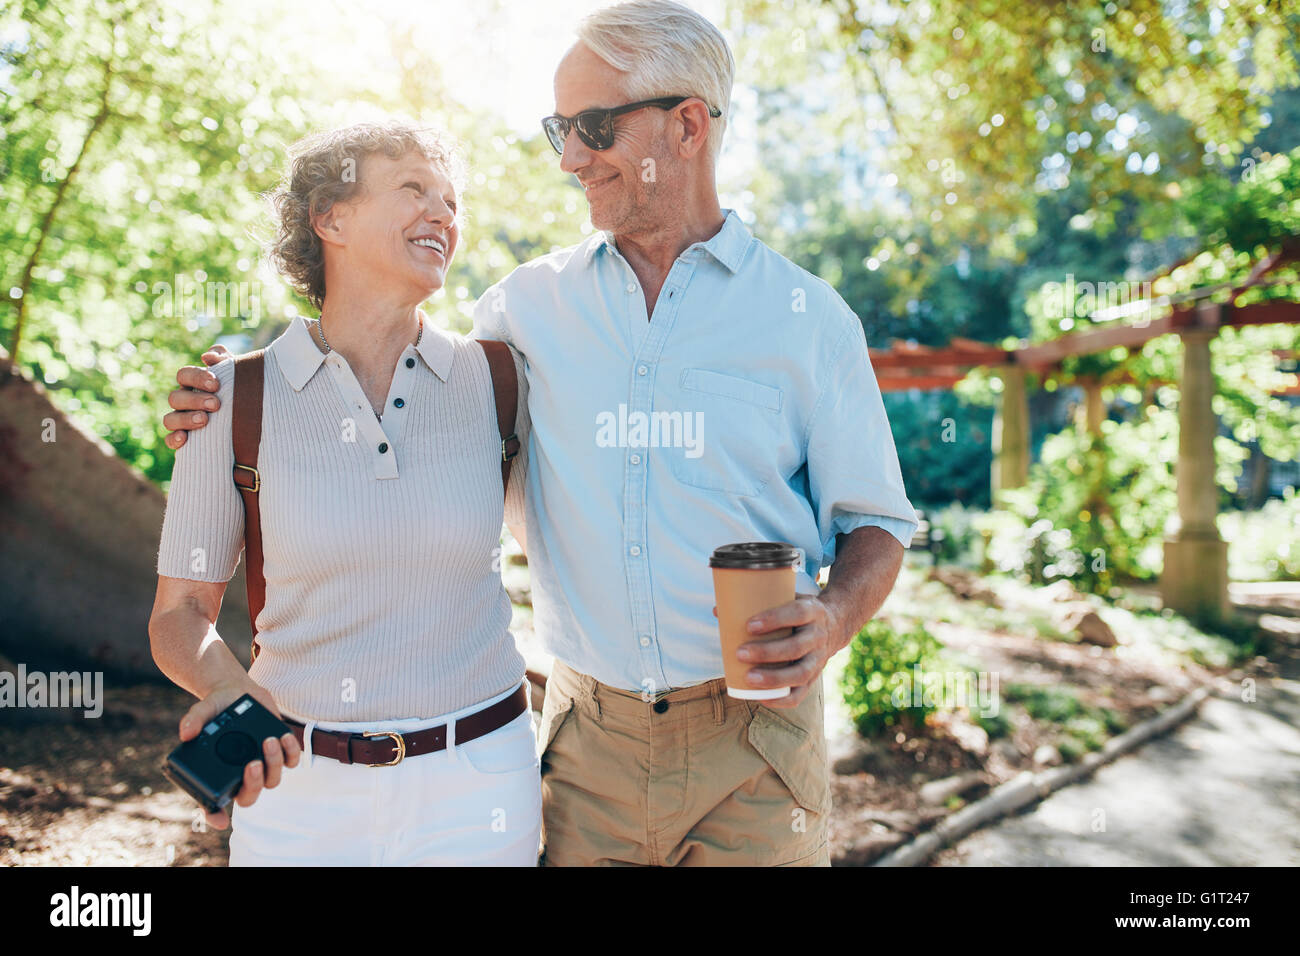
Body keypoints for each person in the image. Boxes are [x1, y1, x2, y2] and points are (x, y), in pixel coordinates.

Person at [165, 0, 918, 866]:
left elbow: (877, 521)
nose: (569, 158)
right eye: (559, 128)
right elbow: (371, 354)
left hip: (756, 748)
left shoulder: (807, 318)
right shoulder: (522, 313)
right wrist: (228, 392)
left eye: (593, 126)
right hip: (584, 745)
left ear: (686, 125)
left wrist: (831, 616)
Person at [149, 122, 540, 866]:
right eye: (413, 190)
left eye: (452, 201)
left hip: (482, 781)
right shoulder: (233, 399)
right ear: (330, 219)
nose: (444, 215)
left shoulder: (497, 380)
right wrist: (228, 686)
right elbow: (179, 614)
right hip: (298, 791)